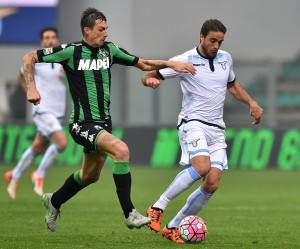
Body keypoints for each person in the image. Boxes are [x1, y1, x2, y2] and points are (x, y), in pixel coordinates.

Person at [22, 8, 196, 232]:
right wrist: (31, 86)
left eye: (107, 29)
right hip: (81, 124)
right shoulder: (70, 51)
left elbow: (142, 64)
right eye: (101, 29)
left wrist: (171, 64)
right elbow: (30, 57)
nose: (106, 33)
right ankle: (130, 213)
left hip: (104, 123)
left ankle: (54, 201)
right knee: (121, 150)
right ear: (87, 30)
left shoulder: (110, 50)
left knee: (90, 176)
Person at [143, 19, 263, 244]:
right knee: (201, 167)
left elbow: (233, 86)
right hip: (193, 122)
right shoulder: (184, 60)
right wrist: (150, 81)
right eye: (212, 41)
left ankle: (174, 226)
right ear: (201, 37)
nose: (216, 46)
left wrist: (252, 103)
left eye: (220, 41)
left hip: (217, 128)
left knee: (212, 182)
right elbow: (148, 75)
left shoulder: (226, 59)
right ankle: (158, 206)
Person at [5, 27, 67, 199]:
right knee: (62, 143)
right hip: (42, 109)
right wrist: (29, 89)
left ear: (57, 40)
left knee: (38, 146)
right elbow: (20, 76)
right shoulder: (35, 59)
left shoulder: (63, 59)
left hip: (58, 111)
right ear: (42, 41)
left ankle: (14, 175)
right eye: (46, 37)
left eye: (53, 37)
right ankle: (38, 175)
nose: (50, 40)